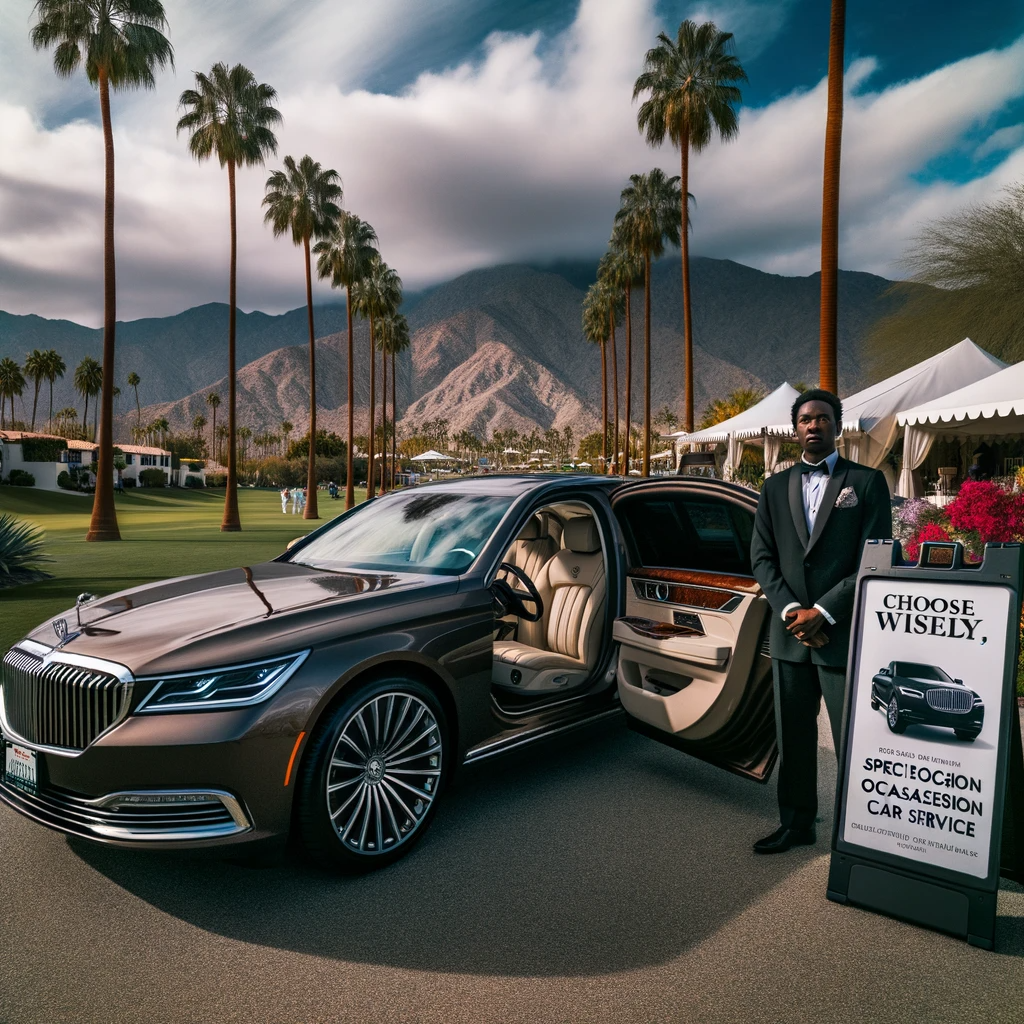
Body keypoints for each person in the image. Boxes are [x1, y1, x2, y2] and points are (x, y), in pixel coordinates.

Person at [750, 389, 892, 854]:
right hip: (790, 634)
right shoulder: (773, 488)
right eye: (806, 419)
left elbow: (877, 559)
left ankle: (862, 837)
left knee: (854, 737)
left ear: (837, 426)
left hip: (841, 631)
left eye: (823, 419)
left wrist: (824, 611)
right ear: (796, 429)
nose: (814, 425)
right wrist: (793, 611)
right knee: (793, 736)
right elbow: (762, 558)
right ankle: (797, 824)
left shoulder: (867, 484)